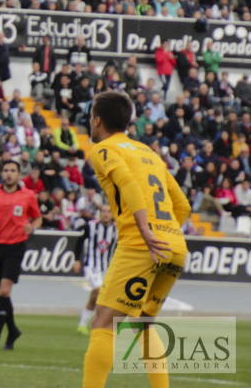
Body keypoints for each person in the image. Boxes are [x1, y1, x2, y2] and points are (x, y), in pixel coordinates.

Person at [82, 91, 190, 388]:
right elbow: (182, 205)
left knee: (103, 323)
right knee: (143, 324)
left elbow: (128, 183)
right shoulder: (149, 153)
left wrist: (146, 232)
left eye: (91, 117)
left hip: (143, 244)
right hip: (175, 248)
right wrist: (166, 233)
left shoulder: (104, 149)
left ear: (98, 120)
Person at [0, 159, 40, 351]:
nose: (9, 173)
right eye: (6, 170)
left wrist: (32, 228)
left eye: (13, 170)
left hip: (15, 246)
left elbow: (37, 217)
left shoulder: (28, 195)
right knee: (0, 294)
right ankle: (12, 330)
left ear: (19, 174)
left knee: (4, 291)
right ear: (1, 173)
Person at [73, 204, 116, 336]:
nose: (106, 214)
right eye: (103, 211)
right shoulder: (91, 226)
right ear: (100, 213)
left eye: (109, 211)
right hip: (92, 266)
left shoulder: (118, 229)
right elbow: (79, 241)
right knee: (98, 290)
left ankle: (84, 325)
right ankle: (97, 324)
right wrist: (77, 259)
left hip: (109, 268)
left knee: (97, 297)